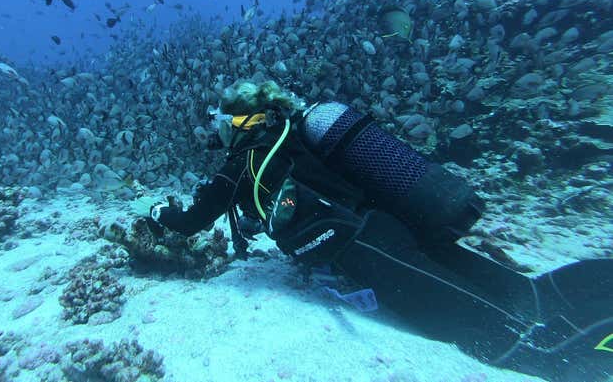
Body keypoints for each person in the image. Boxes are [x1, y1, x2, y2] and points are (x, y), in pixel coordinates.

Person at [138, 80, 612, 382]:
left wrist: (159, 212)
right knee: (522, 293)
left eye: (222, 122)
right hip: (388, 220)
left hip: (365, 246)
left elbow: (194, 220)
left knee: (488, 334)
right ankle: (588, 287)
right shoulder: (293, 137)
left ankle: (568, 352)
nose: (220, 131)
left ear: (241, 123)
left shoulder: (243, 162)